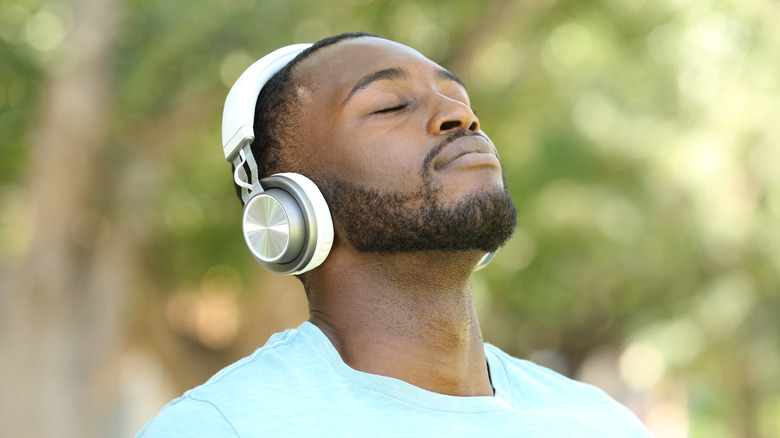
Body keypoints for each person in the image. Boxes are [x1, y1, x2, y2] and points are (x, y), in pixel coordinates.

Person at [138, 32, 651, 437]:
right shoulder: (220, 427)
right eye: (390, 105)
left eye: (460, 98)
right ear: (290, 210)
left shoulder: (601, 423)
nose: (461, 116)